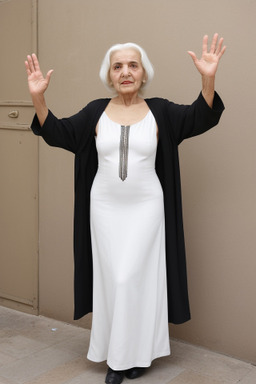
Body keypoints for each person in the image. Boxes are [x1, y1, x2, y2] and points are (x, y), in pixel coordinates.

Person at [25, 33, 226, 384]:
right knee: (113, 282)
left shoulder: (160, 111)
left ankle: (127, 358)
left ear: (144, 73)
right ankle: (122, 355)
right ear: (110, 75)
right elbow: (58, 133)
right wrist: (39, 99)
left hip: (147, 208)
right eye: (118, 66)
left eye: (133, 64)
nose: (126, 71)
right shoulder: (94, 113)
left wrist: (207, 78)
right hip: (103, 209)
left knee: (136, 280)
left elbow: (200, 117)